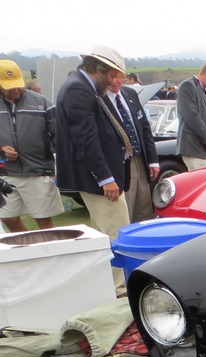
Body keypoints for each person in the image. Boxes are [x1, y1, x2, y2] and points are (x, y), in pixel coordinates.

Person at [54, 45, 131, 294]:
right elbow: (86, 139)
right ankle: (118, 288)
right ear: (98, 69)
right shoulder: (78, 88)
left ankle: (107, 285)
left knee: (104, 232)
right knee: (116, 231)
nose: (115, 81)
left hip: (97, 176)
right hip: (98, 179)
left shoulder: (81, 85)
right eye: (112, 75)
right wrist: (106, 178)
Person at [0, 60, 61, 233]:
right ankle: (31, 246)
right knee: (8, 218)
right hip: (5, 173)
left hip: (38, 172)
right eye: (9, 86)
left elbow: (58, 135)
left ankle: (51, 256)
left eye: (18, 85)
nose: (16, 89)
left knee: (44, 222)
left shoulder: (42, 102)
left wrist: (58, 165)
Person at [106, 72, 159, 222]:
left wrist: (152, 160)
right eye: (112, 76)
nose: (116, 81)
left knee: (145, 208)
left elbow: (144, 127)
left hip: (140, 159)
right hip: (119, 164)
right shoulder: (99, 99)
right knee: (124, 212)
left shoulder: (130, 93)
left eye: (120, 77)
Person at [177, 62, 206, 171]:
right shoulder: (187, 86)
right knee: (201, 185)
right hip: (193, 147)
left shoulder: (204, 90)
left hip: (204, 150)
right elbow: (192, 117)